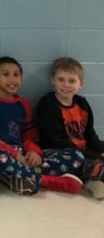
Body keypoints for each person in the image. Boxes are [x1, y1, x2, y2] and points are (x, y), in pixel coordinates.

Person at [0, 56, 83, 197]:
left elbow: (29, 136)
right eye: (6, 74)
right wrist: (14, 154)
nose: (12, 79)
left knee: (76, 156)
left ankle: (23, 178)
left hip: (23, 155)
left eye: (16, 75)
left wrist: (34, 152)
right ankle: (45, 181)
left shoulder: (24, 105)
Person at [36, 57, 104, 199]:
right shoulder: (47, 105)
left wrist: (100, 151)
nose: (66, 85)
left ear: (81, 84)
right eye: (61, 80)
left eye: (72, 81)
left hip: (82, 153)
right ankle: (91, 175)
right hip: (58, 152)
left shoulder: (83, 105)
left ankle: (91, 179)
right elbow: (56, 140)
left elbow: (90, 135)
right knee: (76, 158)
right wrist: (90, 156)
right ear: (53, 80)